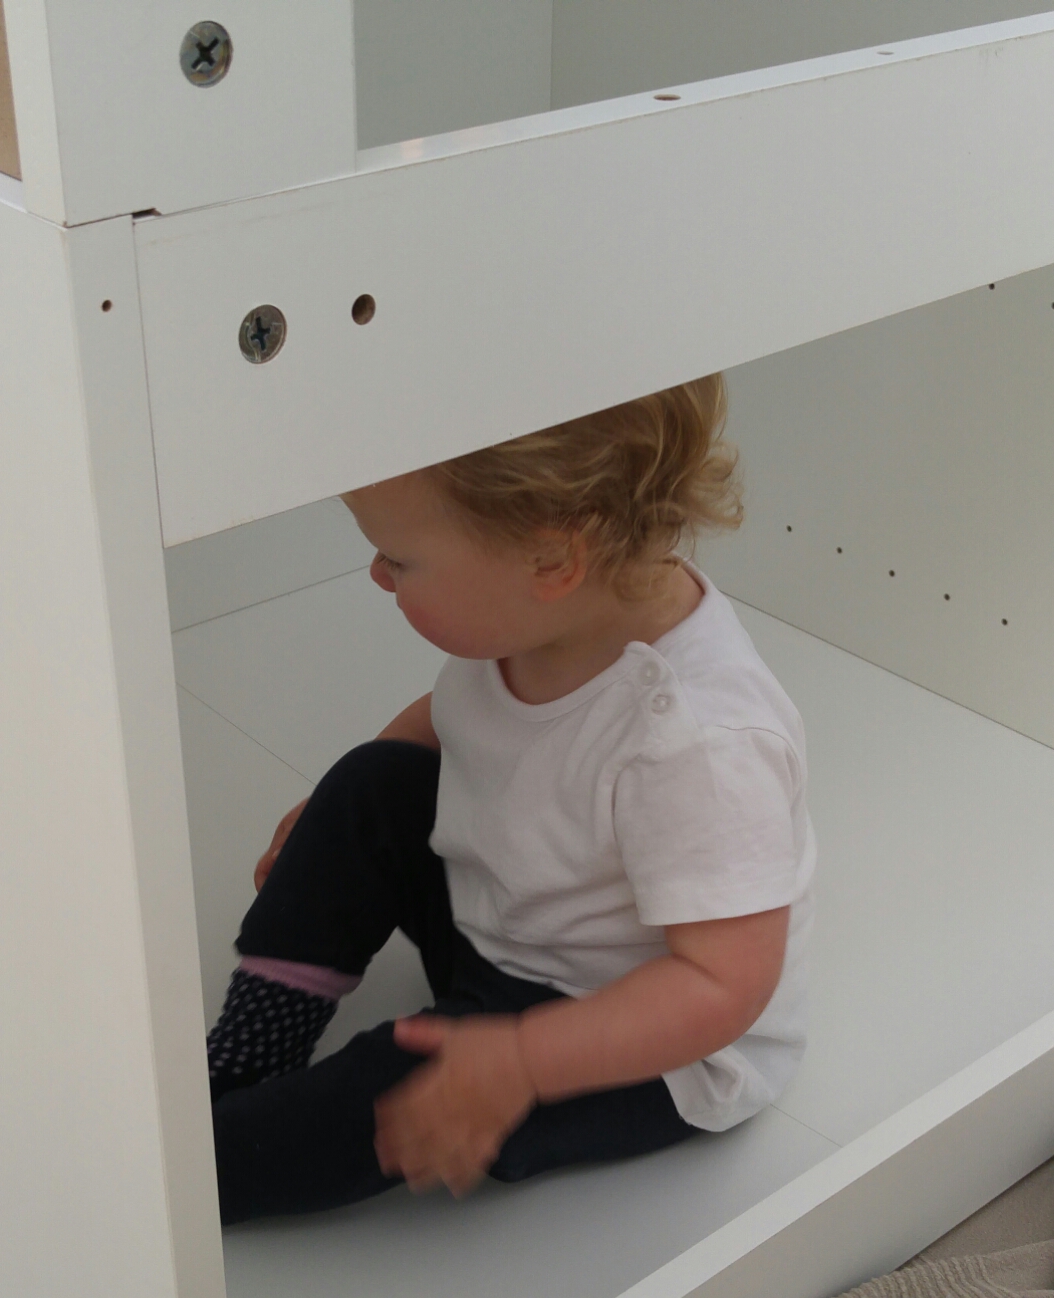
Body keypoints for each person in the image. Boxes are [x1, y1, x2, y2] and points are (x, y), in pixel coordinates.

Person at [208, 374, 816, 1224]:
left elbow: (725, 984)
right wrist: (339, 825)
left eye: (400, 559)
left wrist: (521, 1060)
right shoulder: (547, 619)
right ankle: (253, 1045)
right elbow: (451, 718)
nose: (377, 574)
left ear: (552, 561)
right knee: (372, 779)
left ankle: (194, 1176)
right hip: (511, 914)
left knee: (405, 1090)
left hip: (630, 1034)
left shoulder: (698, 744)